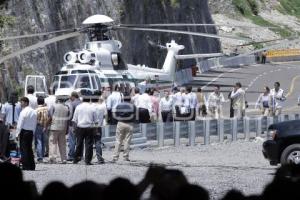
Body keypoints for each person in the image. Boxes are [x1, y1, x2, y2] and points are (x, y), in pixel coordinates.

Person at [72, 90, 97, 165]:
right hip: (89, 127)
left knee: (79, 143)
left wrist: (74, 128)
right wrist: (96, 130)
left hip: (80, 127)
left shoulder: (78, 107)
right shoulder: (92, 107)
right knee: (89, 144)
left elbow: (74, 119)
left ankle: (76, 159)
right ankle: (88, 160)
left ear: (82, 99)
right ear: (89, 99)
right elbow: (95, 120)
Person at [16, 97, 37, 170]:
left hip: (24, 131)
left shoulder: (23, 111)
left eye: (21, 102)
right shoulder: (34, 111)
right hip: (31, 132)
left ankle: (26, 166)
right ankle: (32, 165)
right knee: (29, 149)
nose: (20, 104)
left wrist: (17, 133)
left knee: (23, 149)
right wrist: (33, 132)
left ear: (26, 103)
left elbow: (20, 124)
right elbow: (35, 123)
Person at [112, 97, 136, 162]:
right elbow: (135, 115)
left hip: (121, 123)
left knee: (118, 140)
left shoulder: (119, 105)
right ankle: (125, 157)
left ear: (123, 99)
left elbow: (116, 114)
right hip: (129, 124)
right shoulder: (133, 106)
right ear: (130, 99)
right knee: (127, 141)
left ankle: (115, 157)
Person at [48, 96, 69, 164]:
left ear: (57, 100)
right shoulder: (66, 108)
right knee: (62, 144)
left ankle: (53, 158)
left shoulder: (53, 106)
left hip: (54, 127)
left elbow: (50, 116)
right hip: (63, 127)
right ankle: (64, 159)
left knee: (53, 143)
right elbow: (68, 119)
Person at [65, 91, 81, 162]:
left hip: (72, 124)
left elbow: (69, 116)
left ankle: (71, 155)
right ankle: (80, 155)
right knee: (80, 141)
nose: (70, 98)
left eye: (70, 97)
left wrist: (67, 124)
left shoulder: (72, 104)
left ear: (73, 96)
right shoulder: (82, 103)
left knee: (72, 141)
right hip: (81, 125)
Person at [91, 92, 105, 164]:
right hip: (98, 126)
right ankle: (100, 158)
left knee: (89, 142)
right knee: (98, 142)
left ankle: (88, 158)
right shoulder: (101, 107)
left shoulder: (90, 107)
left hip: (90, 127)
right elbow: (104, 116)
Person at [35, 96, 48, 163]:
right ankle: (42, 155)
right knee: (43, 141)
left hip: (38, 126)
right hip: (45, 126)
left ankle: (40, 157)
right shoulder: (46, 109)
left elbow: (35, 119)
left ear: (37, 102)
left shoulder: (37, 110)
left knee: (38, 141)